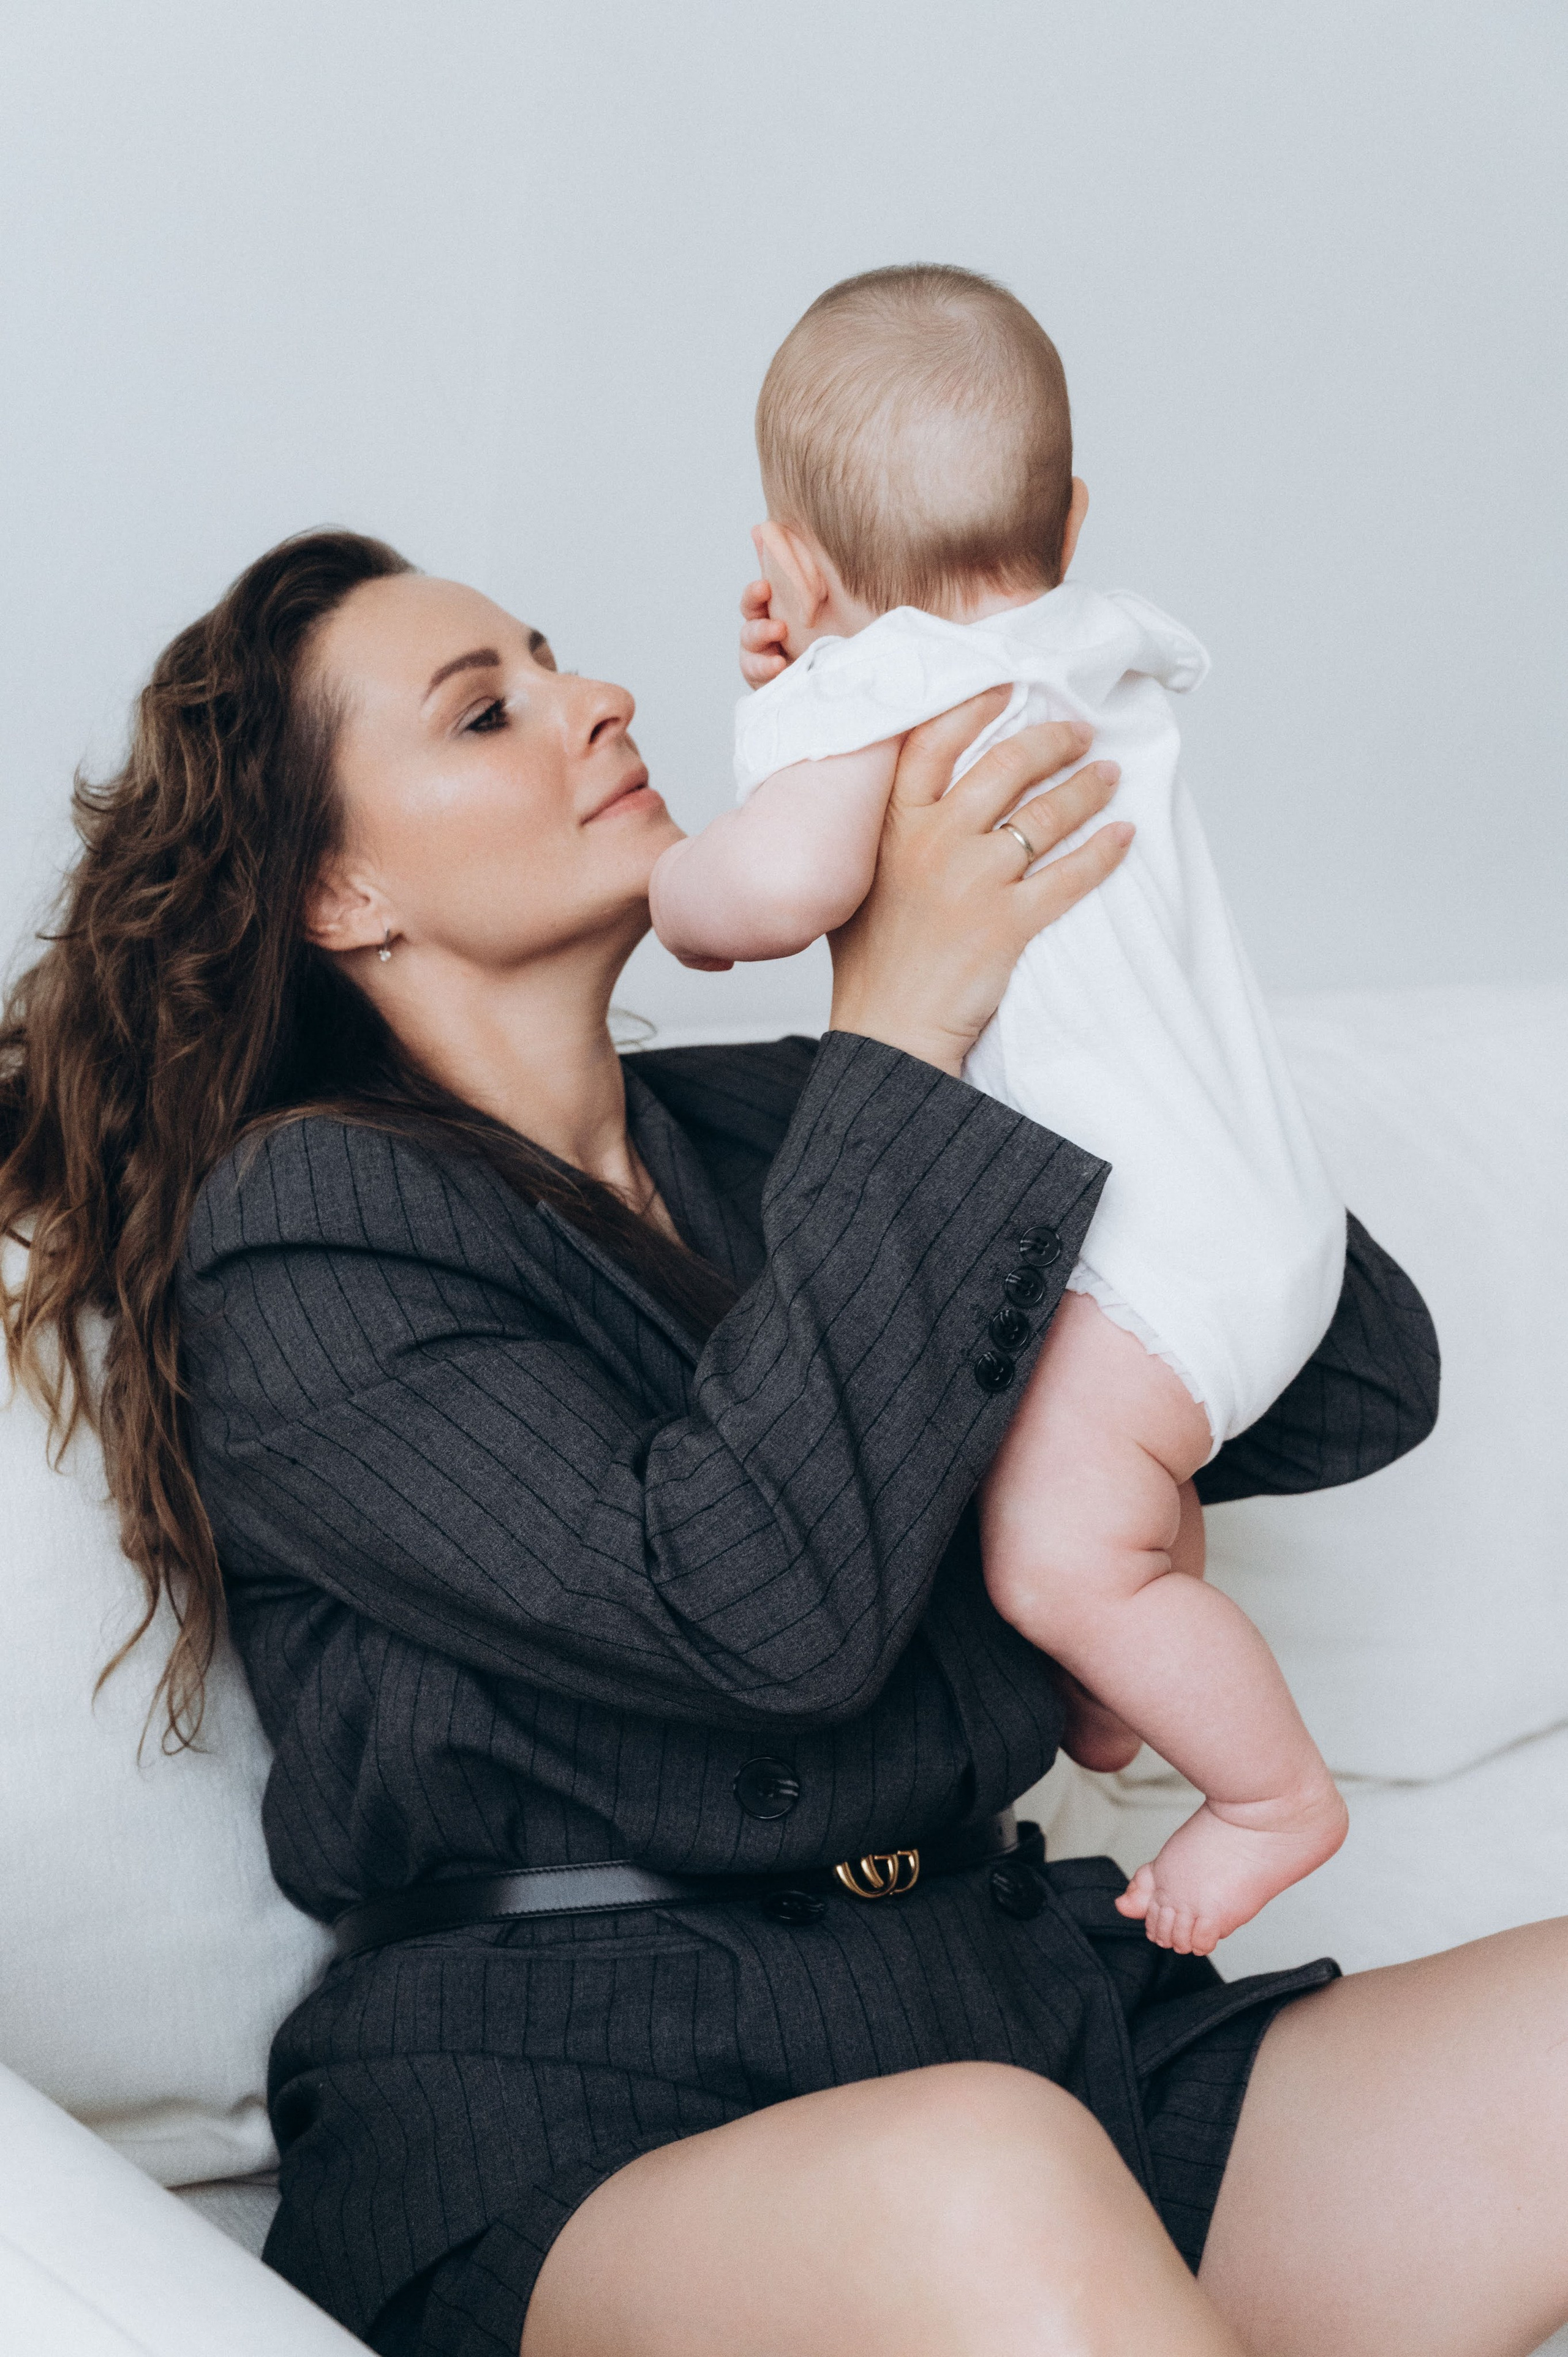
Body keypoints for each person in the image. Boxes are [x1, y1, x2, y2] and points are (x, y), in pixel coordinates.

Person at [2, 527, 1565, 2357]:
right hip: (593, 2101)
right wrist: (903, 1014)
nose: (599, 701)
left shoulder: (776, 1130)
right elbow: (754, 1612)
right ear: (342, 889)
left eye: (556, 654)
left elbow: (1355, 1369)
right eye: (487, 711)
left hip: (1012, 2003)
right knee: (989, 2170)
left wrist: (998, 892)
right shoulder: (307, 1224)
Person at [650, 265, 1348, 1958]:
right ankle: (1121, 1673)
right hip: (1260, 1211)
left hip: (1153, 1258)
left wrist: (685, 876)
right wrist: (826, 675)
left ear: (794, 564)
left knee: (1048, 1553)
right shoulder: (1099, 650)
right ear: (1073, 515)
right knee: (1080, 1464)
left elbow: (774, 890)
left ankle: (1270, 1799)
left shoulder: (871, 694)